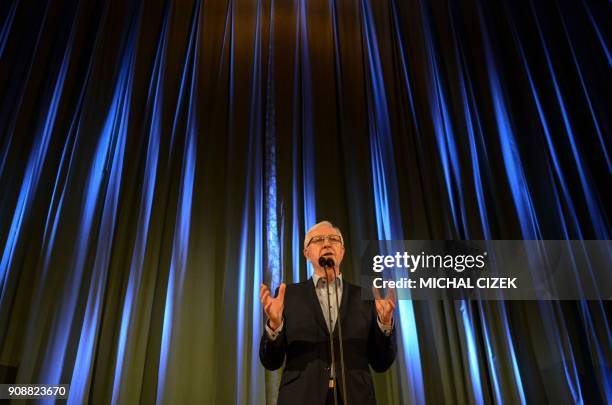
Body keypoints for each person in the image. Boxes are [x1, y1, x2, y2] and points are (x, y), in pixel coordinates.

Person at [259, 221, 396, 405]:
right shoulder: (288, 296)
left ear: (342, 251)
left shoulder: (366, 298)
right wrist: (274, 326)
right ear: (307, 253)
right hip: (301, 398)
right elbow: (271, 362)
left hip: (356, 397)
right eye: (318, 240)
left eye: (333, 239)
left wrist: (384, 324)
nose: (326, 244)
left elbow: (381, 363)